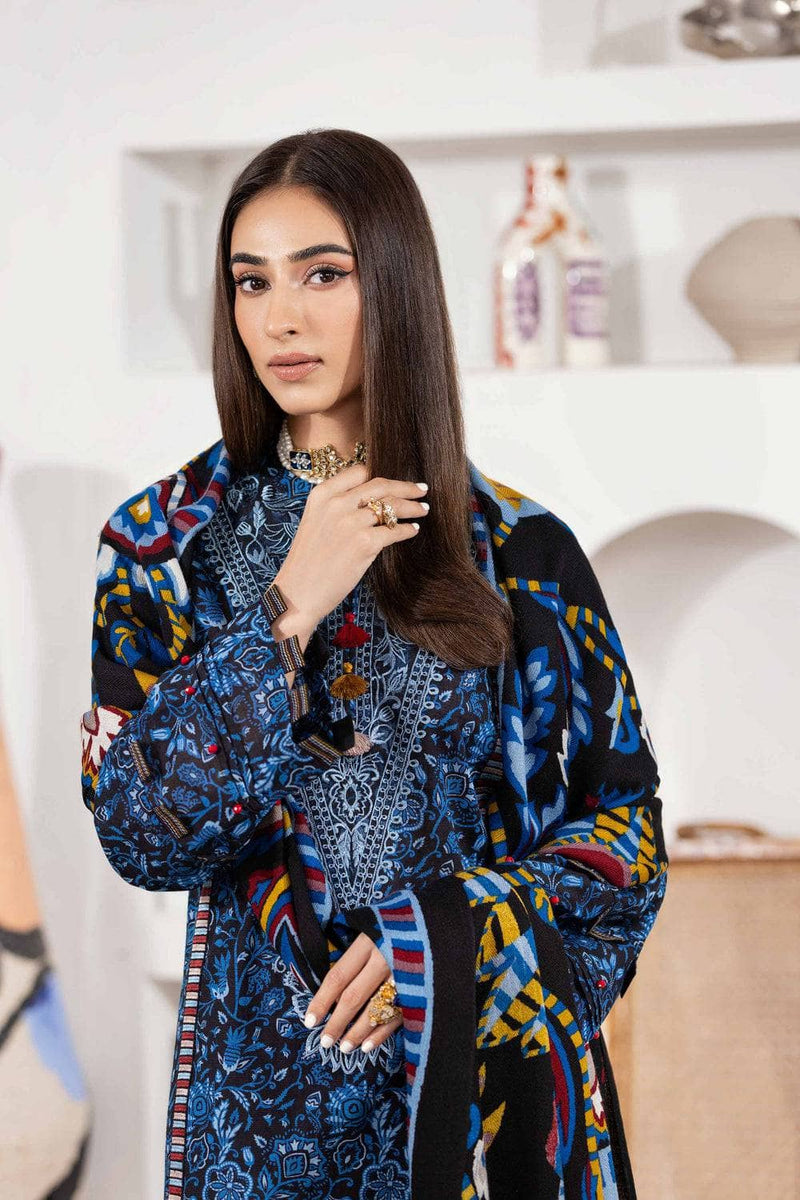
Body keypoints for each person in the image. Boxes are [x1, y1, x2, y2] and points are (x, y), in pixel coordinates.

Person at [80, 128, 668, 1200]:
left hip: (482, 1122)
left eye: (323, 274)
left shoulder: (517, 552)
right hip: (260, 1125)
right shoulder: (163, 548)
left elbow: (623, 842)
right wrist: (288, 606)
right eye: (251, 281)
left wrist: (436, 945)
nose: (280, 317)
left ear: (394, 285)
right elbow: (140, 830)